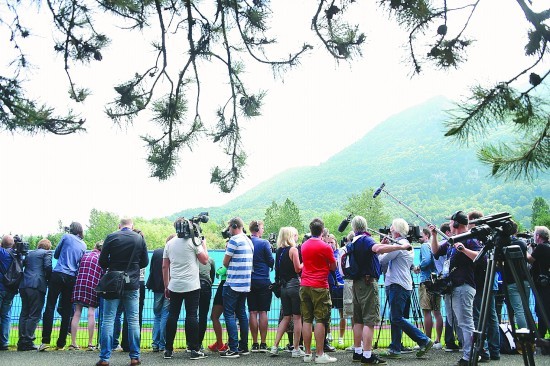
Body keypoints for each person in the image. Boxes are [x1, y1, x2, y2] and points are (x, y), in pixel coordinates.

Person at [430, 211, 481, 366]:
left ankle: (470, 355)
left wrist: (463, 249)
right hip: (452, 289)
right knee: (455, 321)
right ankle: (467, 352)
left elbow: (480, 257)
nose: (450, 225)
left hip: (463, 286)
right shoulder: (452, 240)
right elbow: (436, 251)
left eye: (451, 223)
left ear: (457, 224)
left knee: (465, 322)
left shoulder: (470, 239)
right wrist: (433, 235)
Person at [96, 218, 149, 366]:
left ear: (119, 226)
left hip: (113, 282)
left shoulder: (112, 237)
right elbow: (145, 261)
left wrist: (113, 267)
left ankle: (105, 358)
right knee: (133, 320)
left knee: (108, 320)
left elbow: (102, 261)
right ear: (132, 226)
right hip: (132, 283)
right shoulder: (139, 238)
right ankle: (135, 357)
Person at [378, 219, 433, 360]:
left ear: (396, 229)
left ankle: (423, 340)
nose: (390, 228)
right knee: (395, 317)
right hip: (401, 284)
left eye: (392, 226)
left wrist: (382, 247)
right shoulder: (405, 245)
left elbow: (382, 260)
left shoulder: (399, 245)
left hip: (397, 284)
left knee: (396, 317)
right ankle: (395, 348)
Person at [162, 217, 209, 360]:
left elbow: (165, 266)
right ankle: (194, 350)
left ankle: (168, 349)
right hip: (192, 286)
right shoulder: (194, 241)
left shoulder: (169, 244)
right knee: (192, 316)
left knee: (172, 316)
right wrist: (203, 244)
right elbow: (205, 260)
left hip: (175, 285)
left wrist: (166, 286)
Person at [40, 222, 87, 351]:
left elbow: (56, 254)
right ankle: (61, 343)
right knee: (67, 310)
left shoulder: (66, 237)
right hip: (72, 277)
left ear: (71, 229)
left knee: (50, 306)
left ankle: (45, 341)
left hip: (59, 273)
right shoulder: (84, 245)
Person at [299, 217, 337, 364]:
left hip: (305, 284)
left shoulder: (304, 245)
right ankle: (320, 354)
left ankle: (307, 353)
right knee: (321, 319)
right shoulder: (325, 247)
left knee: (307, 319)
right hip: (320, 285)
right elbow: (333, 267)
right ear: (322, 231)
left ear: (311, 230)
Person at [468, 210, 500, 362]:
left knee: (479, 317)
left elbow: (482, 259)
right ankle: (495, 350)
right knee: (492, 317)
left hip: (482, 283)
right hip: (490, 281)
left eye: (470, 222)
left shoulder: (479, 239)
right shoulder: (490, 237)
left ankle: (483, 350)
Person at [220, 217, 254, 358]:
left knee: (229, 315)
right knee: (242, 314)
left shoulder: (234, 240)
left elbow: (225, 262)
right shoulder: (248, 240)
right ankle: (243, 347)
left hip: (233, 284)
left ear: (234, 226)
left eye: (229, 228)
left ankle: (233, 348)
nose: (228, 230)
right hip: (245, 284)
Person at [269, 227, 304, 358]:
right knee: (297, 318)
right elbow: (297, 268)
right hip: (294, 285)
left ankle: (274, 346)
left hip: (283, 287)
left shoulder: (278, 251)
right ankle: (296, 349)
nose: (296, 237)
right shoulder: (293, 250)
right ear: (290, 236)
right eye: (295, 235)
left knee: (286, 317)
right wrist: (305, 262)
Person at [18, 238, 52, 351]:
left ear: (39, 245)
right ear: (48, 247)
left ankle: (22, 341)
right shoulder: (47, 253)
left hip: (24, 284)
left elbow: (21, 265)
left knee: (24, 313)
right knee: (34, 314)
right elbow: (47, 267)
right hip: (37, 285)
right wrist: (48, 280)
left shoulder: (30, 253)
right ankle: (28, 341)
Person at [69, 240, 104, 350]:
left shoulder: (85, 255)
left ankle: (73, 343)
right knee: (91, 313)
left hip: (79, 284)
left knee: (77, 312)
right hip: (92, 285)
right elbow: (103, 274)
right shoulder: (102, 259)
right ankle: (90, 343)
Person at [247, 220, 274, 352]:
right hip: (263, 280)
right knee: (263, 312)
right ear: (257, 229)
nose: (263, 230)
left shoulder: (246, 241)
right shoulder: (264, 243)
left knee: (252, 311)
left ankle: (254, 343)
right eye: (262, 228)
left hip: (249, 281)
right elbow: (270, 261)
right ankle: (263, 343)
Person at [415, 228, 443, 350]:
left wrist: (418, 267)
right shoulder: (434, 246)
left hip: (426, 281)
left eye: (420, 235)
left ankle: (427, 340)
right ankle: (438, 340)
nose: (418, 238)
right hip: (436, 281)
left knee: (426, 311)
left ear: (426, 235)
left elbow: (426, 260)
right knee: (437, 312)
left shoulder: (424, 246)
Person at [146, 234, 174, 353]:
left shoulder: (157, 252)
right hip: (169, 287)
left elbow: (152, 270)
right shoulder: (173, 253)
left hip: (157, 288)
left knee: (157, 316)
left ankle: (155, 344)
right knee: (165, 315)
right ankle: (163, 344)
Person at [527, 225, 550, 354]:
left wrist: (522, 249)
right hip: (546, 284)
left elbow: (530, 259)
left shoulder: (541, 247)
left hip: (542, 286)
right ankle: (543, 342)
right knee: (544, 311)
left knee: (541, 311)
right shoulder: (547, 246)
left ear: (538, 236)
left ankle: (540, 341)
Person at [326, 234, 346, 346]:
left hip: (340, 286)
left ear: (336, 243)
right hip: (328, 286)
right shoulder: (325, 253)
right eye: (328, 242)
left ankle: (341, 337)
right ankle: (329, 334)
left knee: (342, 313)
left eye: (332, 242)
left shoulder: (340, 253)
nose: (329, 244)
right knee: (326, 312)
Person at [0, 235, 17, 351]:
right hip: (11, 289)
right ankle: (4, 342)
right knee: (6, 316)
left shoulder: (2, 253)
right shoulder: (18, 255)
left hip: (0, 287)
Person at [207, 263, 228, 353]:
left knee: (215, 316)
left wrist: (219, 271)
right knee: (233, 316)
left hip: (225, 285)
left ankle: (220, 343)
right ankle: (230, 343)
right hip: (239, 286)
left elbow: (221, 270)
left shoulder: (231, 253)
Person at [198, 252, 216, 351]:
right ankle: (199, 343)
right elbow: (212, 275)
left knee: (191, 315)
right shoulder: (210, 260)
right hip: (206, 286)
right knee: (203, 316)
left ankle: (190, 343)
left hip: (193, 286)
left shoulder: (192, 259)